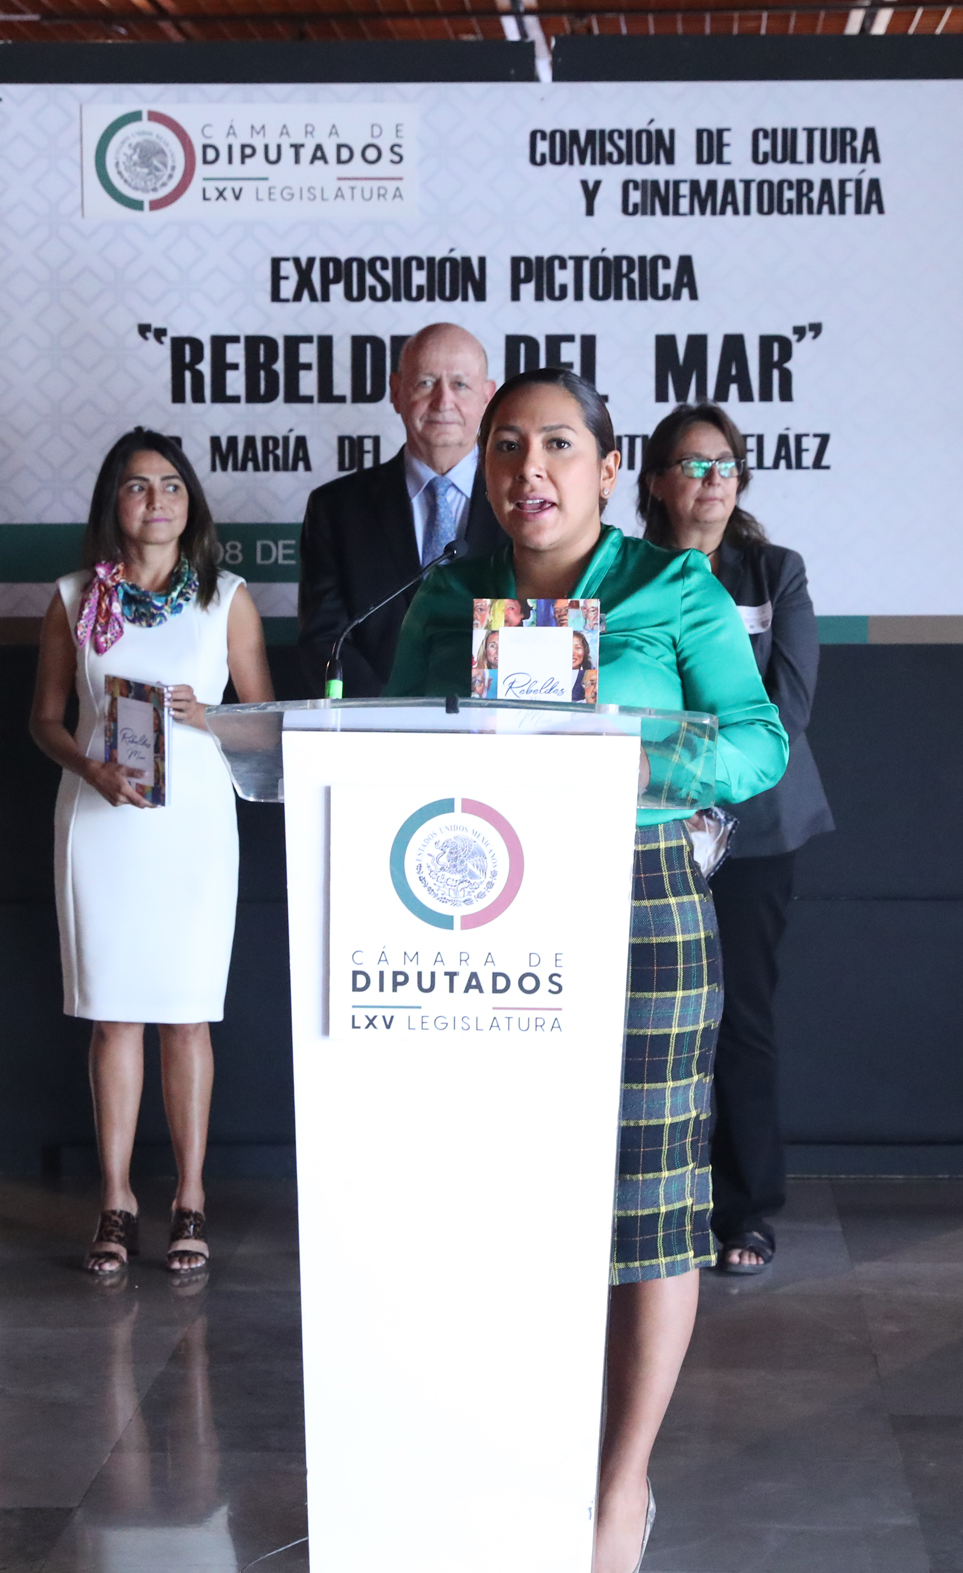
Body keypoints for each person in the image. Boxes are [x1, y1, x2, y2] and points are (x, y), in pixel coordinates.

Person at [387, 369, 788, 1573]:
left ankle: (620, 1487)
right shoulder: (447, 594)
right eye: (508, 447)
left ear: (610, 471)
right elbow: (394, 743)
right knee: (502, 1196)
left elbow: (759, 742)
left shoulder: (671, 587)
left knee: (649, 1201)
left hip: (639, 896)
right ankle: (519, 1450)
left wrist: (637, 756)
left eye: (559, 445)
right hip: (479, 912)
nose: (531, 471)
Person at [29, 428, 273, 1278]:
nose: (157, 499)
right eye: (137, 485)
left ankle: (190, 1197)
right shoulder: (74, 597)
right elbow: (45, 720)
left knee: (187, 1013)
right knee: (114, 1013)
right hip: (103, 820)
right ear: (114, 502)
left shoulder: (226, 597)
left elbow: (264, 721)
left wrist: (211, 714)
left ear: (190, 501)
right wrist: (90, 765)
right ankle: (116, 1200)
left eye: (171, 484)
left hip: (194, 826)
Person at [637, 403, 836, 1277]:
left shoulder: (774, 572)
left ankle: (746, 1211)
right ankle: (645, 1201)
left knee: (739, 1017)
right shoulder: (624, 574)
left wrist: (689, 774)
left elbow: (784, 711)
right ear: (655, 481)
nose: (712, 480)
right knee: (646, 1019)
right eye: (693, 464)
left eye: (725, 464)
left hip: (753, 829)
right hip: (646, 825)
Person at [297, 323, 510, 694]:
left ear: (487, 397)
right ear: (396, 392)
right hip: (373, 722)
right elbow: (324, 638)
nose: (443, 401)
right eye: (425, 382)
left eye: (460, 384)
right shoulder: (335, 508)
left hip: (497, 718)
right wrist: (389, 713)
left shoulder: (524, 503)